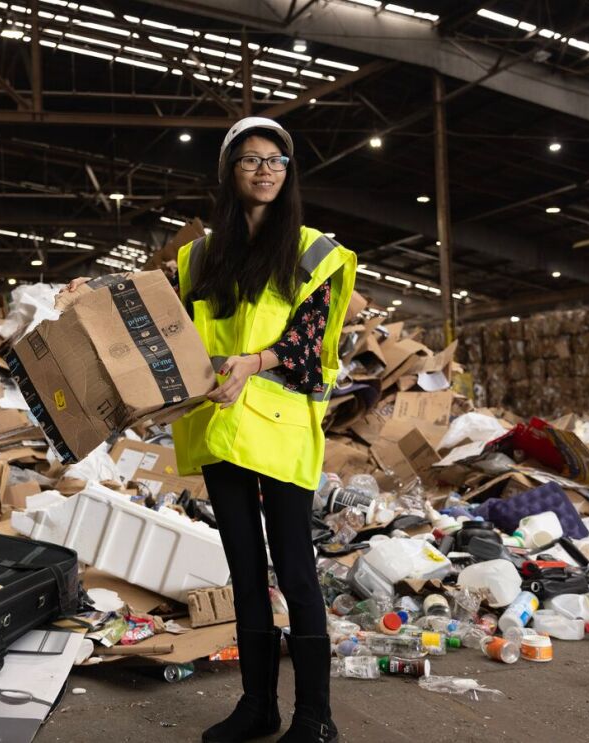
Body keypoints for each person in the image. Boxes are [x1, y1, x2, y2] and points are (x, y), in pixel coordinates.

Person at [67, 117, 356, 742]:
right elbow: (153, 307)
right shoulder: (200, 256)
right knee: (243, 573)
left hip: (280, 431)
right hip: (221, 428)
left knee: (296, 573)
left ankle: (316, 717)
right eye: (251, 160)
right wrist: (90, 292)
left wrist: (254, 362)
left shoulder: (312, 251)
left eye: (276, 159)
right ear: (229, 172)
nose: (265, 169)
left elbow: (309, 344)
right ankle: (259, 707)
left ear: (288, 171)